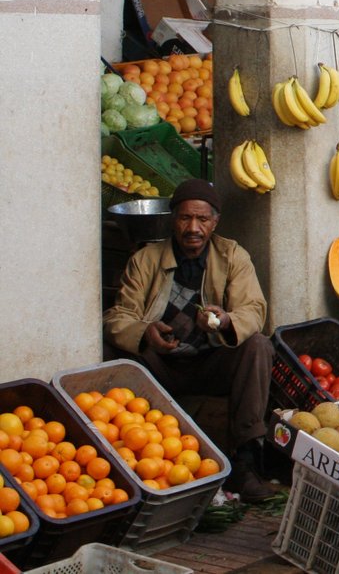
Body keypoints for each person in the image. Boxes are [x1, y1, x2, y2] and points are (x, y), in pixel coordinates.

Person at [104, 179, 276, 502]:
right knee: (111, 348)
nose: (193, 228)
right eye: (185, 218)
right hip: (160, 366)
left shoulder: (232, 256)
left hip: (211, 363)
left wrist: (225, 321)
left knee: (258, 346)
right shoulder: (146, 260)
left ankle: (246, 461)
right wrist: (145, 333)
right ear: (173, 219)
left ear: (215, 222)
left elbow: (253, 310)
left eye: (202, 219)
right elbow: (117, 317)